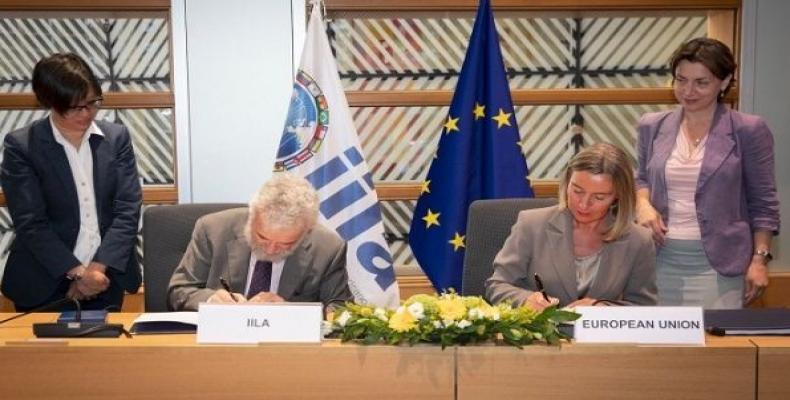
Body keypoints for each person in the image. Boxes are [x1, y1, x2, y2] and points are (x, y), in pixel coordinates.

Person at [635, 38, 780, 309]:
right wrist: (642, 203)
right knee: (658, 350)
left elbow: (764, 204)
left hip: (719, 268)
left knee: (715, 349)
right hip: (657, 260)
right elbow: (641, 178)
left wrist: (760, 259)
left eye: (701, 82)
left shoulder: (748, 130)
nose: (688, 91)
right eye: (681, 80)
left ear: (724, 82)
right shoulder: (651, 125)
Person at [1, 53, 142, 311]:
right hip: (44, 281)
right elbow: (31, 222)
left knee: (108, 351)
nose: (86, 113)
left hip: (106, 279)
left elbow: (128, 208)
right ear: (50, 102)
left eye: (92, 102)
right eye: (74, 107)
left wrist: (95, 272)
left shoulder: (116, 138)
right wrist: (78, 273)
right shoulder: (22, 146)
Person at [486, 143, 657, 310]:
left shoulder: (639, 240)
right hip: (538, 336)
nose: (583, 204)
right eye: (577, 191)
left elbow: (644, 307)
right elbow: (497, 285)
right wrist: (526, 300)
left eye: (599, 197)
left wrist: (604, 309)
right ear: (567, 182)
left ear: (618, 196)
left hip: (599, 338)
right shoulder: (531, 224)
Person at [168, 173, 353, 312]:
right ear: (251, 217)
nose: (271, 250)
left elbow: (341, 310)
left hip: (288, 350)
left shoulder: (328, 248)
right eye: (262, 238)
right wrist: (210, 299)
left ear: (307, 231)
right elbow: (179, 290)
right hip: (221, 345)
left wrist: (290, 310)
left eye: (285, 244)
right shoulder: (212, 230)